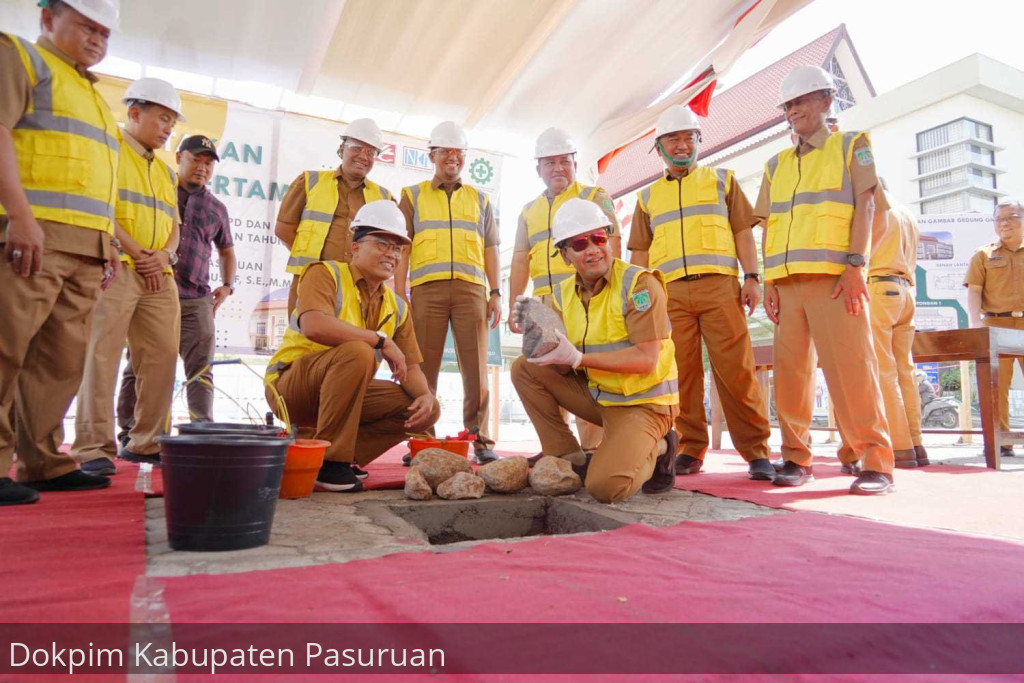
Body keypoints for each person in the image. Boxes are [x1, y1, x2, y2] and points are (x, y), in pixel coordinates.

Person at [0, 0, 121, 505]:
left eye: (104, 32)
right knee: (5, 350)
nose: (96, 39)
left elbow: (92, 177)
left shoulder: (92, 94)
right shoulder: (19, 57)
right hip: (32, 237)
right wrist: (20, 216)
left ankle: (43, 462)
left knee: (59, 362)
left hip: (85, 248)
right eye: (86, 26)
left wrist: (108, 241)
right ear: (48, 18)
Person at [755, 65, 895, 495]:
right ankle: (797, 459)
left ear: (826, 100)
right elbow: (770, 227)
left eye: (801, 101)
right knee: (791, 377)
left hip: (836, 281)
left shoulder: (852, 145)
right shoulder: (775, 165)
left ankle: (876, 461)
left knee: (853, 370)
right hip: (786, 285)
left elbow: (868, 208)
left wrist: (856, 267)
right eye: (788, 105)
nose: (793, 111)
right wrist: (770, 283)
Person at [629, 104, 773, 480]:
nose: (681, 145)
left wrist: (752, 277)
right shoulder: (647, 197)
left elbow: (743, 233)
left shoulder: (723, 181)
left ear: (698, 140)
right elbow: (639, 256)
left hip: (720, 288)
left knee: (737, 371)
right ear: (659, 147)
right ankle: (691, 448)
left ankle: (756, 451)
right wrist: (640, 302)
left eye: (688, 137)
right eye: (672, 139)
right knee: (681, 375)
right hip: (669, 296)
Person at [510, 198, 680, 504]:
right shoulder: (563, 294)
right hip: (601, 398)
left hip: (644, 404)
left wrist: (579, 358)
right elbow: (561, 366)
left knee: (605, 488)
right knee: (525, 367)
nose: (592, 249)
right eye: (579, 243)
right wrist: (537, 336)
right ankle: (569, 457)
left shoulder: (639, 285)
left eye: (599, 238)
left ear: (609, 241)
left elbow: (646, 360)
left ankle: (661, 446)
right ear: (565, 256)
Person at [265, 200, 441, 493]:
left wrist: (425, 396)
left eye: (398, 248)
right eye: (382, 244)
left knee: (425, 409)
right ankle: (331, 463)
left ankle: (338, 457)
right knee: (358, 351)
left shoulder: (397, 306)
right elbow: (314, 325)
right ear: (355, 247)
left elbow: (410, 367)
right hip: (291, 388)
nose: (392, 254)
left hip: (341, 393)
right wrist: (379, 340)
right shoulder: (325, 273)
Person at [72, 77, 185, 472]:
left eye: (173, 121)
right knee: (101, 355)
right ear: (134, 112)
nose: (169, 128)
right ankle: (93, 448)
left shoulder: (167, 172)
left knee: (163, 356)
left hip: (159, 275)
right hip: (116, 267)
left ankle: (146, 443)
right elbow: (101, 208)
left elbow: (175, 224)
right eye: (163, 118)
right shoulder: (109, 149)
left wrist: (164, 256)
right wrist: (138, 253)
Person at [116, 134, 236, 441]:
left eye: (208, 163)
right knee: (139, 365)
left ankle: (201, 430)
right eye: (196, 160)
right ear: (179, 157)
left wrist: (227, 285)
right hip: (153, 289)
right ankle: (130, 430)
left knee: (201, 368)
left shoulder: (216, 208)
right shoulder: (158, 190)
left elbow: (226, 250)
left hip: (197, 299)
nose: (202, 168)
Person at [394, 121, 501, 465]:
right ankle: (421, 440)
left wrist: (496, 292)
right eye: (445, 151)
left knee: (477, 370)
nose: (452, 157)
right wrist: (399, 293)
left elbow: (491, 248)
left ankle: (480, 440)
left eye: (458, 152)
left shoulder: (480, 199)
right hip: (427, 291)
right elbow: (402, 247)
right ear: (432, 155)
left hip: (472, 291)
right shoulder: (412, 196)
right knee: (423, 368)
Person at [508, 127, 619, 457]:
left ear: (575, 164)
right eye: (550, 162)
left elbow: (613, 242)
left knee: (587, 372)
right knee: (546, 370)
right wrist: (517, 302)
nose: (558, 168)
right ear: (538, 168)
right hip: (544, 304)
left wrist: (607, 291)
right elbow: (520, 257)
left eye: (564, 161)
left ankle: (594, 448)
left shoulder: (593, 196)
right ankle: (559, 449)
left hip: (585, 298)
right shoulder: (528, 210)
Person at [837, 182, 928, 471]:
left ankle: (898, 446)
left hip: (878, 287)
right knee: (904, 370)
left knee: (882, 371)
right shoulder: (907, 213)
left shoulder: (874, 207)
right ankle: (915, 444)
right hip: (906, 292)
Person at [275, 118, 392, 316]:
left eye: (371, 152)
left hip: (360, 284)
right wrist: (314, 259)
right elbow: (284, 229)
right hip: (311, 280)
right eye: (356, 148)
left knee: (353, 334)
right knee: (304, 332)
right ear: (342, 149)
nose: (363, 156)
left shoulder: (383, 197)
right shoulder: (310, 182)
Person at [964, 198, 1024, 457]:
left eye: (1011, 217)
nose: (1005, 223)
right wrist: (976, 324)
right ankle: (1002, 441)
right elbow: (974, 290)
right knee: (995, 385)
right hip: (996, 324)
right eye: (999, 219)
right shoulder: (983, 254)